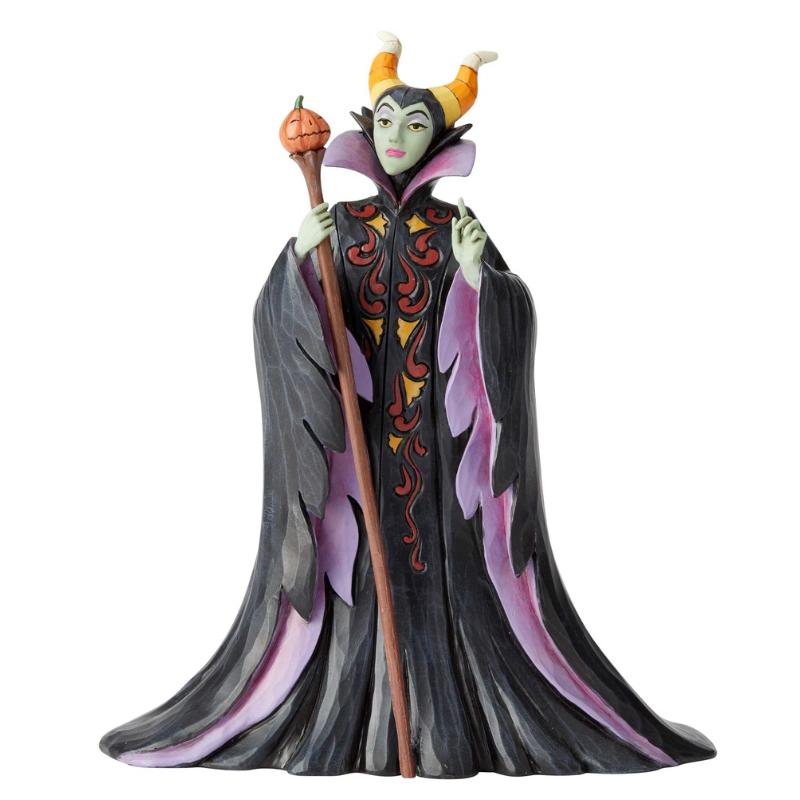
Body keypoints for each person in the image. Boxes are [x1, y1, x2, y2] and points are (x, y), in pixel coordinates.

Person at [99, 32, 715, 778]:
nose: (396, 136)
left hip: (436, 455)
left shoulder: (453, 230)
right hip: (353, 449)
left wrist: (480, 280)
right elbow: (280, 325)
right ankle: (342, 716)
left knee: (442, 572)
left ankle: (449, 713)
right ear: (368, 129)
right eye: (386, 120)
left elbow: (508, 327)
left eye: (415, 124)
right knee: (352, 566)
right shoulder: (339, 225)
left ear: (438, 140)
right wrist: (299, 263)